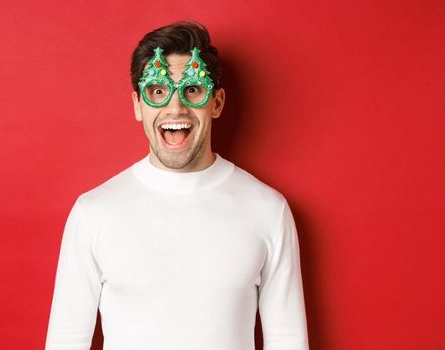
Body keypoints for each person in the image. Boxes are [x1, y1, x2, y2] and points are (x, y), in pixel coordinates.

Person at [44, 20, 309, 350]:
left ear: (217, 102)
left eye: (193, 89)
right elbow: (66, 341)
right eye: (157, 91)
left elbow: (288, 340)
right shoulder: (93, 212)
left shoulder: (268, 210)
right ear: (138, 105)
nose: (175, 107)